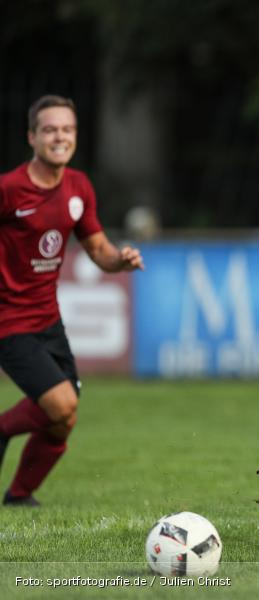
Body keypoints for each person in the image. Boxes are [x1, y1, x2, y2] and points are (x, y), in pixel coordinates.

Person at [0, 95, 144, 506]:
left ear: (75, 136)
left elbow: (98, 250)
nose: (59, 136)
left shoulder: (78, 187)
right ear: (32, 137)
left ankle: (19, 495)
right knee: (60, 403)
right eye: (49, 129)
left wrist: (121, 259)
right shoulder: (9, 189)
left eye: (67, 129)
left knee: (64, 419)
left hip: (49, 319)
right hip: (9, 321)